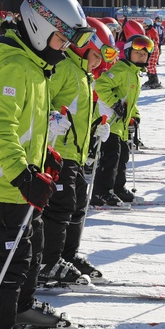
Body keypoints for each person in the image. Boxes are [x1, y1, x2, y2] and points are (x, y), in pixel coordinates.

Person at [0, 0, 94, 329]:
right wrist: (22, 175)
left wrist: (44, 154)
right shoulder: (15, 67)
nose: (65, 47)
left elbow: (27, 126)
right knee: (8, 264)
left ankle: (17, 310)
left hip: (18, 184)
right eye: (61, 37)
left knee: (31, 251)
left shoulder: (36, 66)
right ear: (39, 25)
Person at [39, 17, 117, 285]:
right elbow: (42, 101)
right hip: (58, 151)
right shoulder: (63, 68)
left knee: (77, 205)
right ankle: (47, 261)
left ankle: (67, 255)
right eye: (96, 56)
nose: (99, 63)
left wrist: (97, 125)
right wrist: (50, 118)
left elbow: (84, 111)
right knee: (60, 206)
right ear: (84, 48)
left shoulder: (84, 75)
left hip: (76, 153)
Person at [91, 33, 150, 206]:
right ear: (128, 51)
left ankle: (117, 188)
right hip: (107, 122)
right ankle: (101, 192)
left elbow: (129, 102)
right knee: (110, 157)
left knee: (122, 156)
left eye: (145, 54)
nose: (141, 56)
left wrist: (135, 116)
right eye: (138, 53)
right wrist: (114, 103)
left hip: (120, 125)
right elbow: (101, 84)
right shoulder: (121, 69)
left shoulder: (134, 74)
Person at [140, 17, 162, 89]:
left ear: (149, 25)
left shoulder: (153, 31)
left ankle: (155, 80)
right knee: (148, 65)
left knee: (151, 65)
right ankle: (151, 79)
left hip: (154, 49)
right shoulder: (146, 31)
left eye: (145, 25)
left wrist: (150, 42)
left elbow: (156, 41)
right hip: (149, 49)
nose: (144, 26)